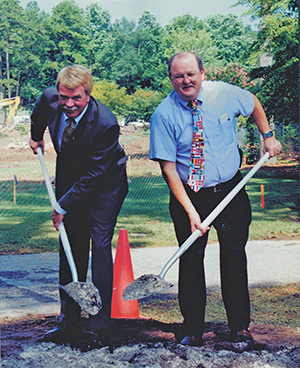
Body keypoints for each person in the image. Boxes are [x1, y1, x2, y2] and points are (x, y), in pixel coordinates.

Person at [149, 52, 282, 347]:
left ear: (202, 73)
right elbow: (168, 169)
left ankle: (240, 328)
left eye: (191, 74)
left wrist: (268, 136)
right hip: (190, 194)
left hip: (231, 190)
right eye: (178, 76)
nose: (186, 81)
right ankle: (193, 328)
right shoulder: (164, 115)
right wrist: (190, 211)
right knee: (191, 259)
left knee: (234, 257)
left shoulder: (224, 94)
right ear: (170, 79)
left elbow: (254, 104)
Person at [29, 65, 128, 344]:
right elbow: (39, 115)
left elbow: (94, 176)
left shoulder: (106, 123)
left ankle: (99, 324)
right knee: (69, 246)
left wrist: (62, 206)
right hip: (70, 180)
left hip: (105, 187)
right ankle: (68, 319)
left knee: (98, 246)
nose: (69, 104)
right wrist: (36, 137)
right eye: (64, 98)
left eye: (76, 98)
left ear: (88, 94)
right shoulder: (51, 98)